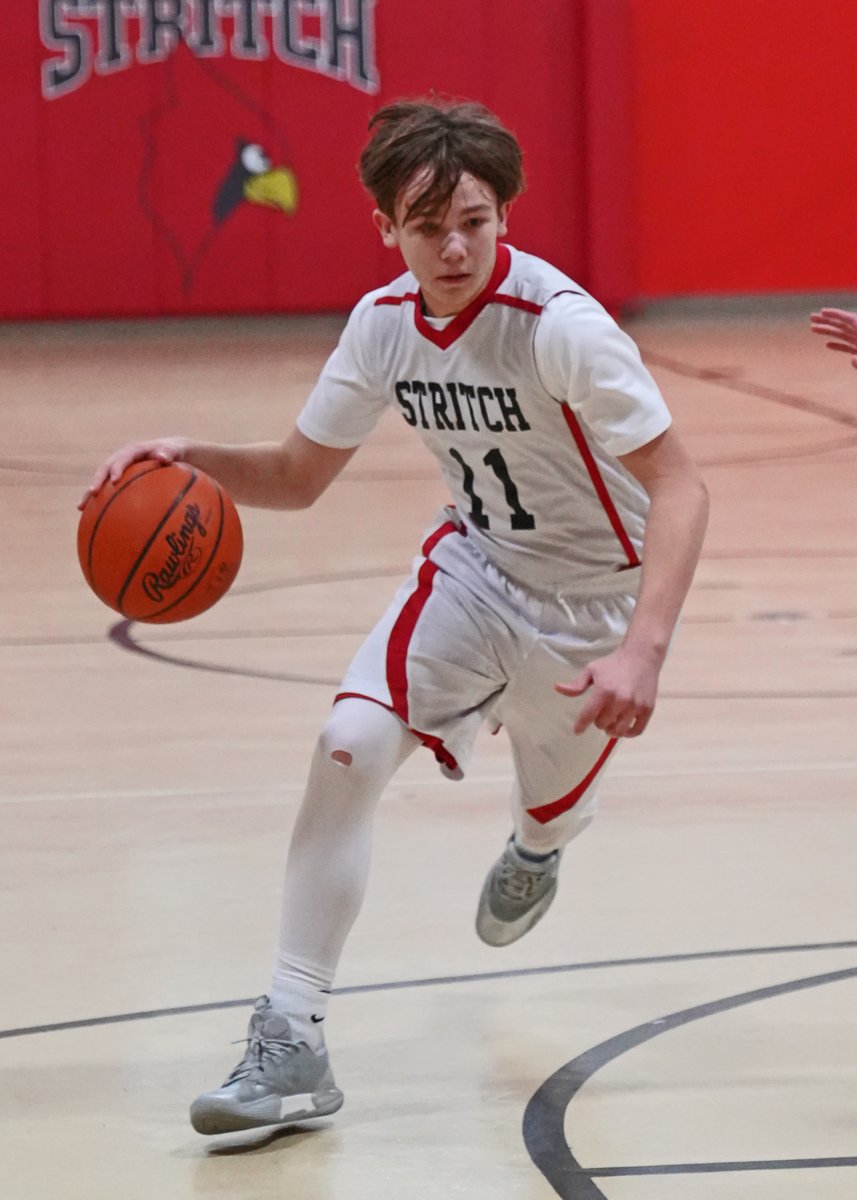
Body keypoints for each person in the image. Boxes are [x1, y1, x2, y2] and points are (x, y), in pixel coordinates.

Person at [80, 98, 709, 1136]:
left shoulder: (560, 328)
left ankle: (538, 842)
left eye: (473, 219)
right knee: (345, 744)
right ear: (385, 227)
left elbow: (681, 488)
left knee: (550, 812)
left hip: (595, 603)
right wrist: (182, 458)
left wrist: (643, 650)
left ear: (502, 212)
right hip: (473, 571)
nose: (454, 246)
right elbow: (294, 475)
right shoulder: (382, 327)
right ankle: (288, 1039)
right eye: (427, 226)